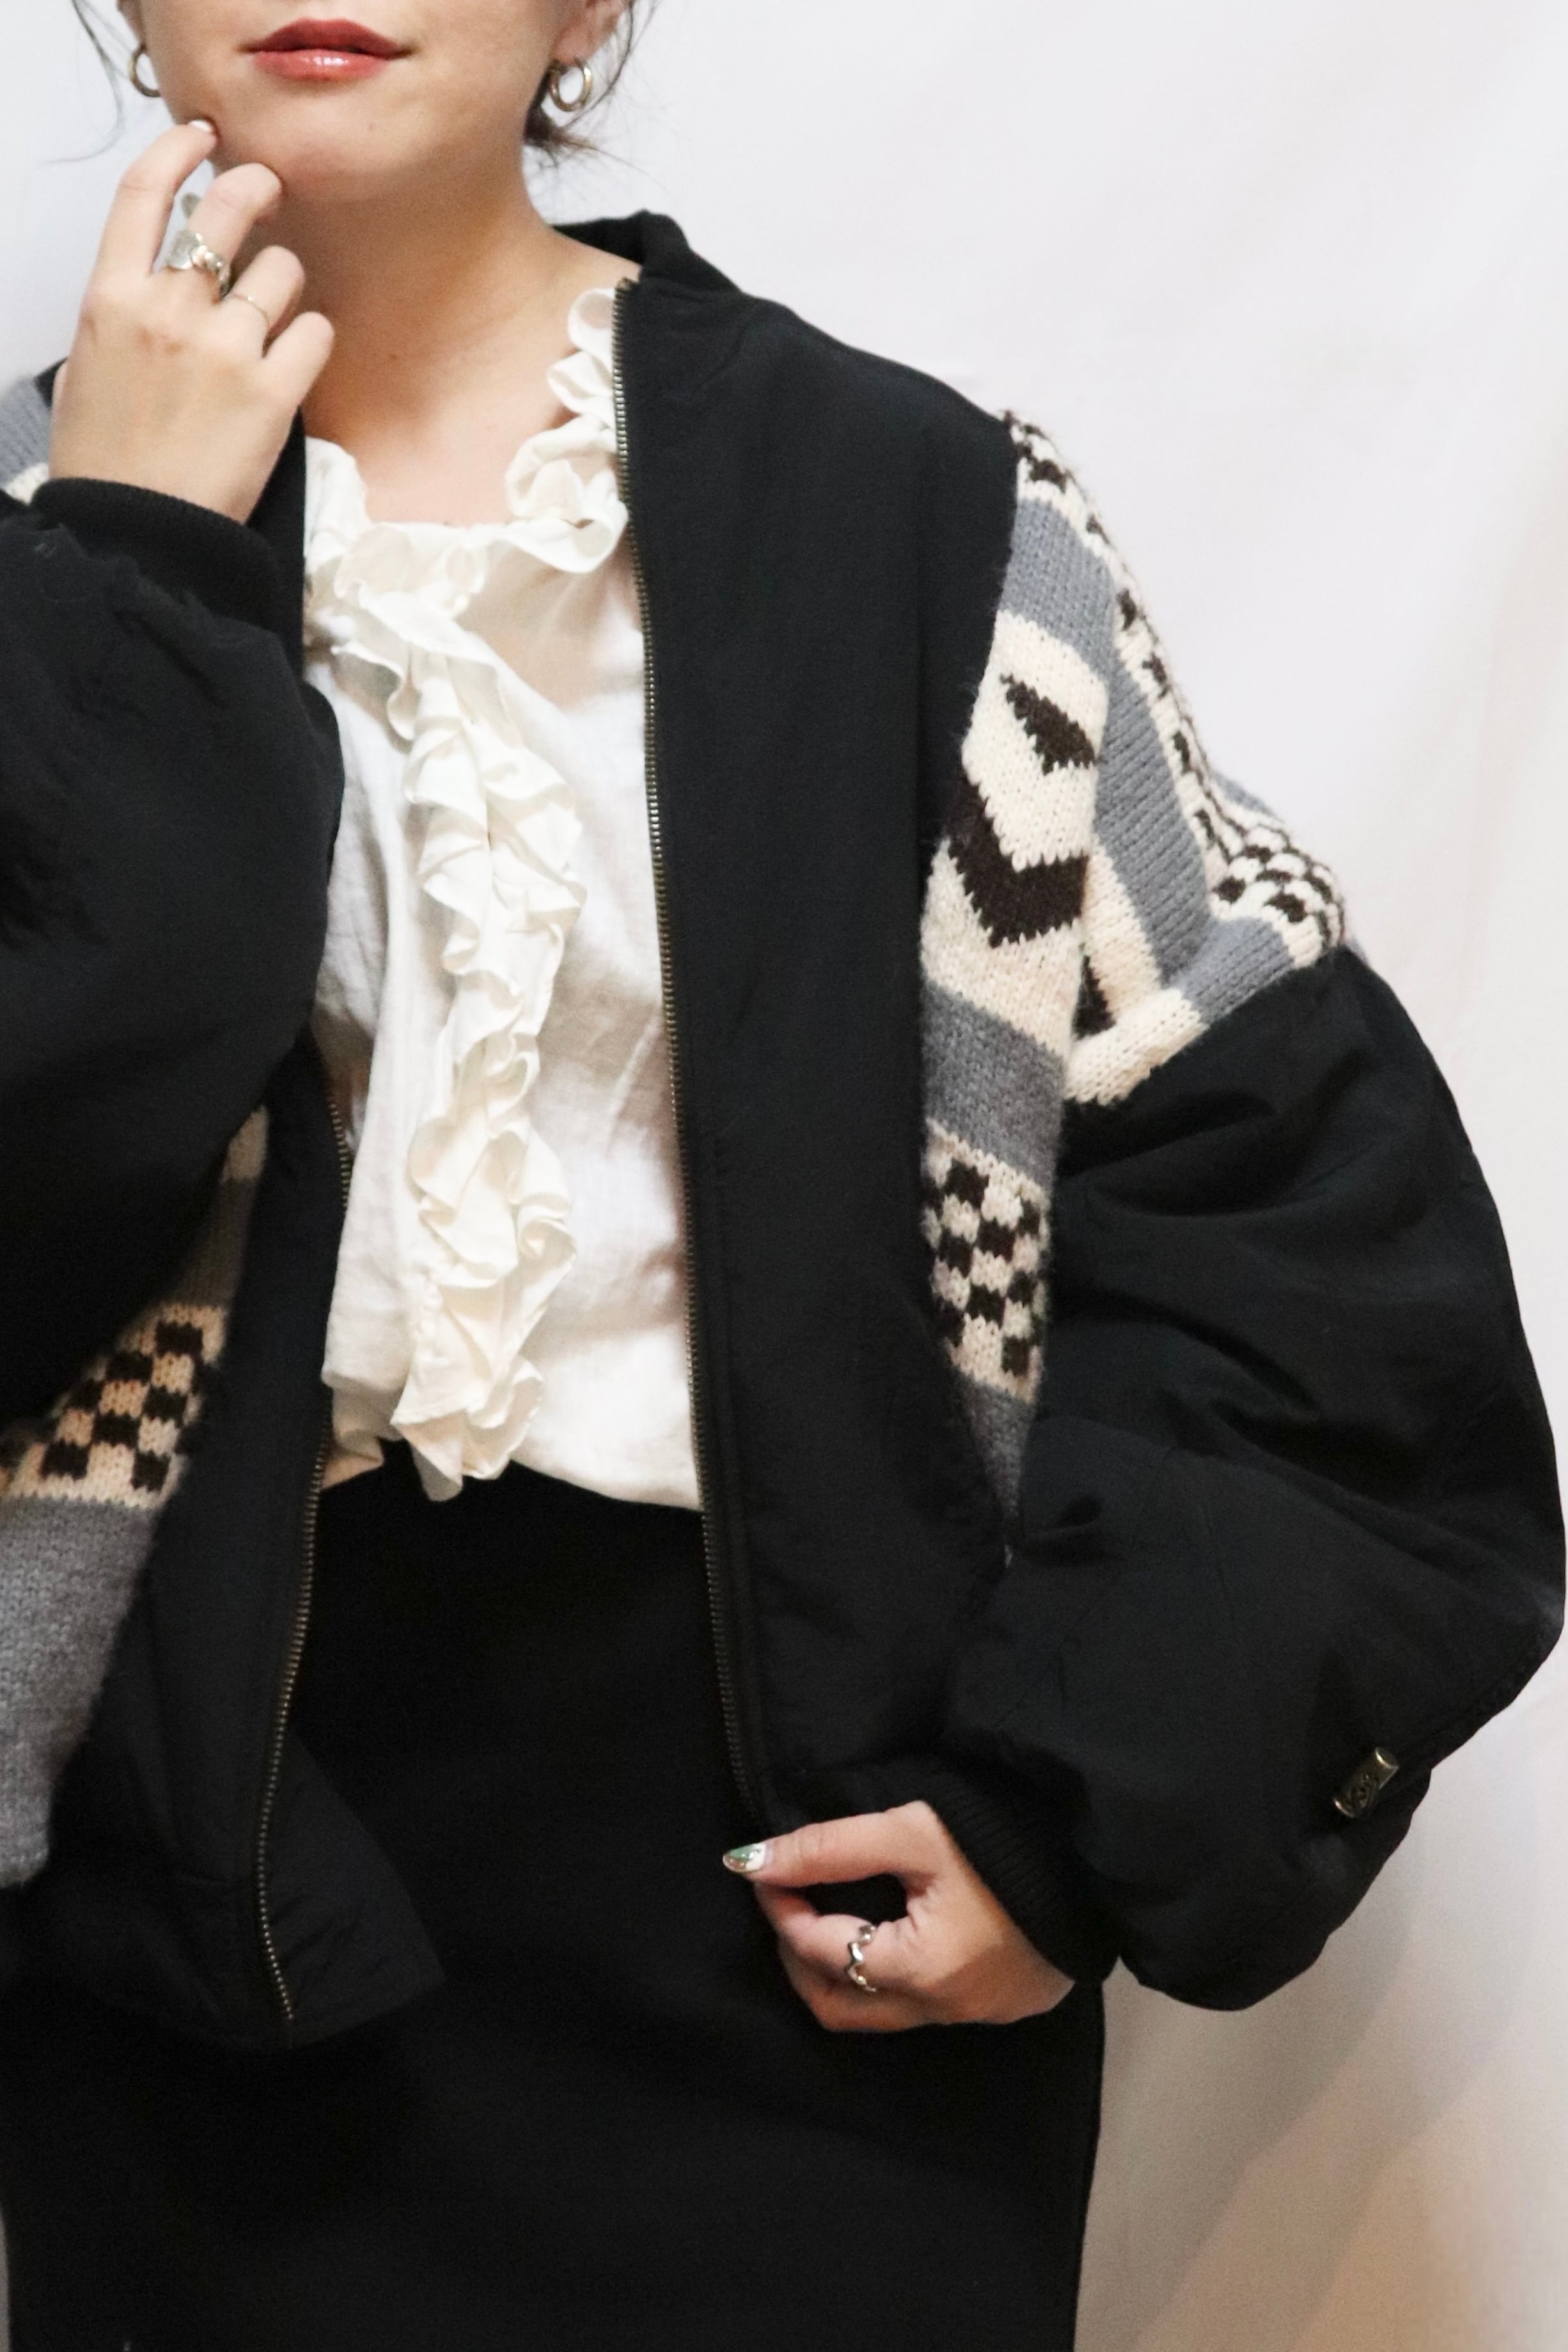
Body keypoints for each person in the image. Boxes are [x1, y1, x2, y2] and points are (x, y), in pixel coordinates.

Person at [0, 3, 1559, 2347]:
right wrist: (117, 577)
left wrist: (1065, 1813)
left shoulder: (908, 522)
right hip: (187, 1925)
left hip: (805, 1911)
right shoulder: (33, 543)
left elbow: (1300, 1241)